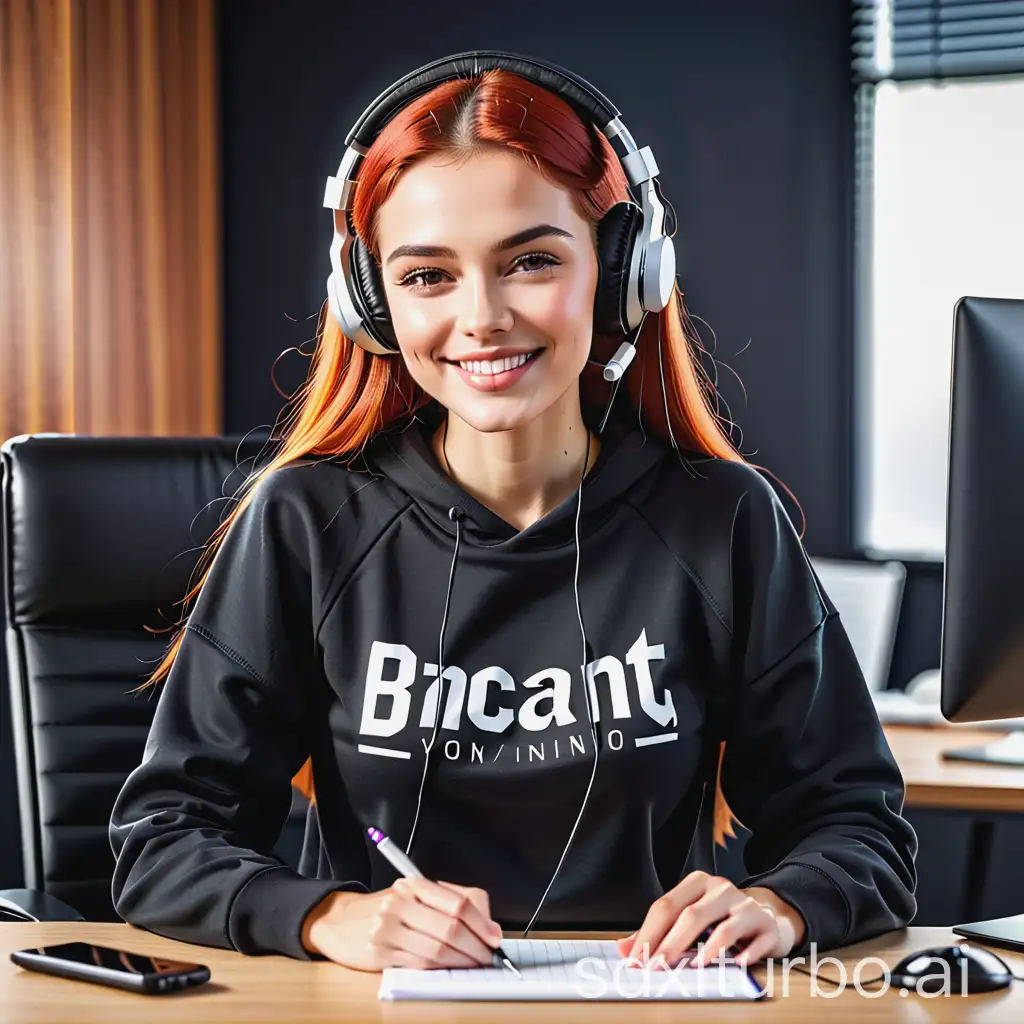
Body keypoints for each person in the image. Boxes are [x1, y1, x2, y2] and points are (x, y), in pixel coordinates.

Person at [109, 54, 916, 974]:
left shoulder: (724, 521)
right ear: (371, 303)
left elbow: (858, 829)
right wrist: (333, 917)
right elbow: (164, 839)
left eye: (531, 260)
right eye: (426, 276)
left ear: (624, 274)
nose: (482, 316)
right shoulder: (307, 520)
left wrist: (778, 905)